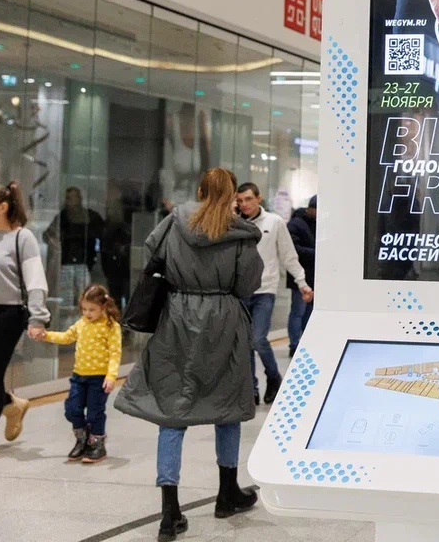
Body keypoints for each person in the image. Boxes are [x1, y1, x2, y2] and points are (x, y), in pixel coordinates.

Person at [115, 168, 263, 539]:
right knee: (227, 407)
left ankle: (170, 512)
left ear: (199, 191)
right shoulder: (242, 235)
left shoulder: (173, 223)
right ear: (232, 196)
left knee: (172, 411)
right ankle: (227, 493)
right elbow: (247, 284)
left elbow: (153, 258)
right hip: (223, 321)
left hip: (177, 319)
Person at [0, 182, 51, 459]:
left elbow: (35, 281)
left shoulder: (22, 238)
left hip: (8, 313)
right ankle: (12, 406)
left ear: (3, 207)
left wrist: (38, 318)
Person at [236, 183, 311, 403]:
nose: (244, 204)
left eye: (248, 199)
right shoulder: (234, 223)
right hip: (240, 291)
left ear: (258, 198)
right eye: (240, 200)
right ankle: (251, 387)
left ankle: (273, 376)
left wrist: (302, 282)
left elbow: (288, 255)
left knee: (258, 338)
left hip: (265, 290)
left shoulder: (274, 222)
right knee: (245, 342)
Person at [38, 284, 122, 463]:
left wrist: (111, 376)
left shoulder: (111, 326)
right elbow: (66, 337)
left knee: (94, 413)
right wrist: (46, 335)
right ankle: (82, 438)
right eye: (84, 309)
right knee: (72, 409)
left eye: (92, 310)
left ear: (103, 306)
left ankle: (97, 442)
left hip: (99, 378)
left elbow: (115, 353)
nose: (87, 313)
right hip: (79, 376)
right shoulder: (81, 323)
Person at [43, 187, 105, 324]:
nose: (68, 201)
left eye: (71, 198)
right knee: (66, 299)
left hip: (84, 264)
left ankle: (86, 325)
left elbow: (102, 236)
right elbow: (48, 235)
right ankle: (68, 326)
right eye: (67, 198)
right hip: (66, 264)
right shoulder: (63, 216)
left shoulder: (91, 216)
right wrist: (56, 244)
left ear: (79, 199)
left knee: (86, 297)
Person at [286, 195, 318, 356]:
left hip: (312, 276)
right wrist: (316, 253)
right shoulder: (296, 224)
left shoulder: (315, 223)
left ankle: (306, 342)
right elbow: (293, 250)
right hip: (300, 276)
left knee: (308, 312)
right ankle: (294, 344)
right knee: (298, 311)